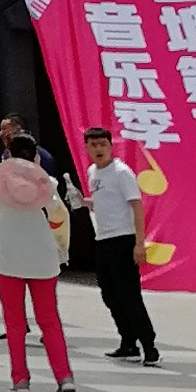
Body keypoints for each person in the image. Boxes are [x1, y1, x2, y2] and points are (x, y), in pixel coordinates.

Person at [0, 132, 75, 392]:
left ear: (8, 154)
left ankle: (21, 379)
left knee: (14, 322)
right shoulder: (47, 182)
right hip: (42, 259)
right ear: (35, 156)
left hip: (7, 257)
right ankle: (64, 377)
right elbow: (55, 207)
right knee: (49, 320)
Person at [81, 124, 159, 364]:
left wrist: (139, 243)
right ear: (87, 148)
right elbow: (103, 203)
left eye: (103, 144)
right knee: (109, 294)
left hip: (123, 240)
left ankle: (149, 346)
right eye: (93, 145)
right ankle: (128, 341)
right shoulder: (92, 172)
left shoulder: (121, 172)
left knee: (129, 295)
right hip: (102, 240)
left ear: (110, 146)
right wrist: (84, 202)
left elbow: (136, 206)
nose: (98, 149)